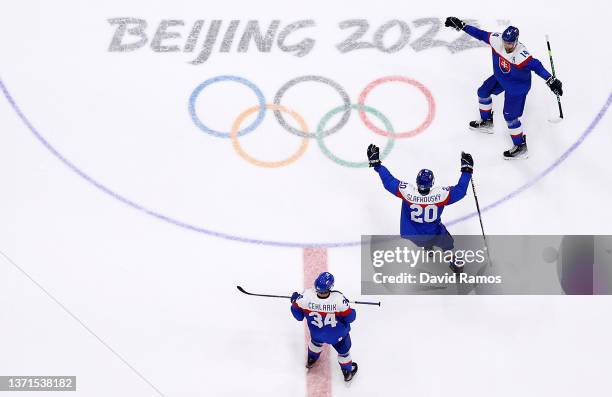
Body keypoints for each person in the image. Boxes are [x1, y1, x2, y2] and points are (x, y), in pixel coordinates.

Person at [445, 17, 563, 159]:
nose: (507, 45)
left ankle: (520, 147)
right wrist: (462, 26)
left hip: (517, 87)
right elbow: (480, 34)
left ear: (516, 41)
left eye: (510, 43)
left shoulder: (521, 55)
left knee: (510, 116)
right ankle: (486, 122)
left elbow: (537, 66)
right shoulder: (496, 40)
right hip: (501, 77)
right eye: (505, 42)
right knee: (483, 92)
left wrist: (551, 80)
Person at [367, 144, 473, 273]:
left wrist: (377, 165)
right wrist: (467, 170)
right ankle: (456, 265)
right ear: (432, 183)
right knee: (447, 244)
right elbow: (460, 191)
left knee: (424, 236)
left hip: (411, 234)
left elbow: (389, 182)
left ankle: (427, 247)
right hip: (433, 234)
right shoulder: (441, 195)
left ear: (417, 182)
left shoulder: (407, 192)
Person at [290, 272, 358, 381]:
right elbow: (351, 317)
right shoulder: (338, 299)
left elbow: (298, 316)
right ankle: (347, 372)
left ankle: (311, 359)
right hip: (337, 336)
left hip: (317, 333)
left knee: (315, 343)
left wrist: (294, 301)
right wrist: (347, 305)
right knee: (344, 352)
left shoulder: (306, 296)